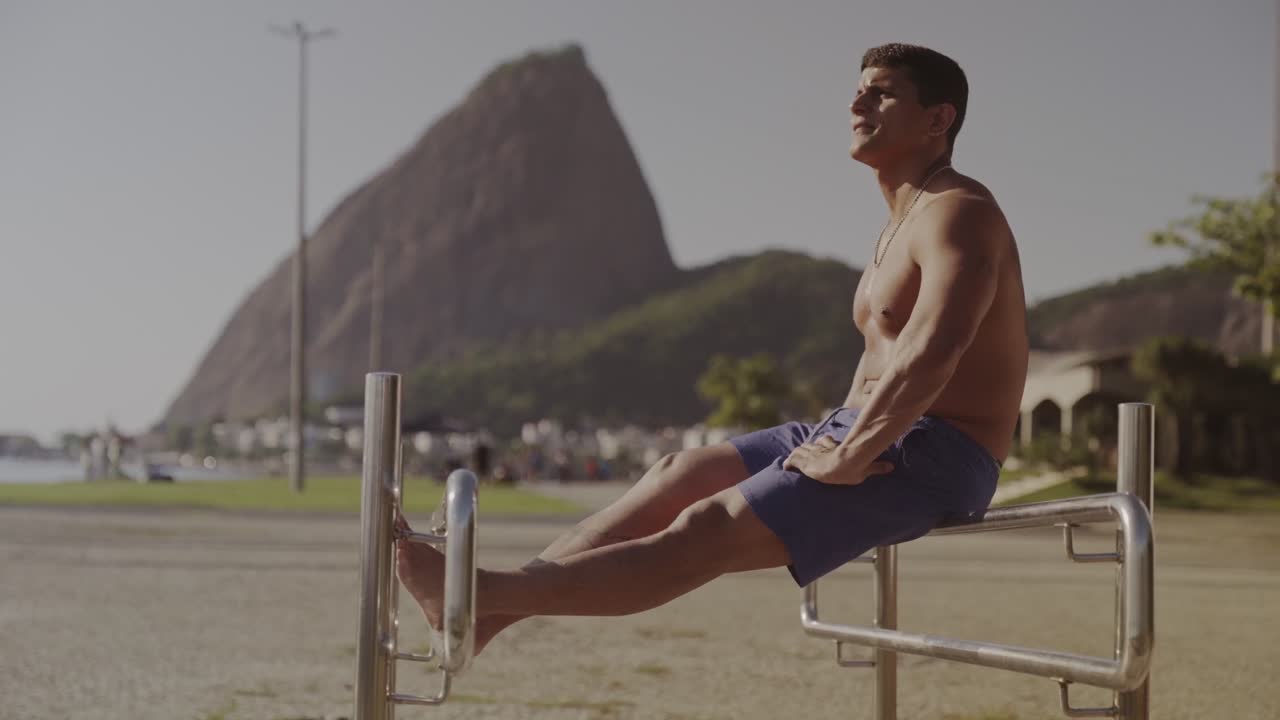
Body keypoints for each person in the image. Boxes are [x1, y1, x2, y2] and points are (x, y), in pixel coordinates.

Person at [397, 43, 1029, 657]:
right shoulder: (903, 218)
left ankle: (477, 594)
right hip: (856, 428)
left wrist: (849, 455)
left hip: (933, 451)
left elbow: (933, 348)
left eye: (883, 92)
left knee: (707, 530)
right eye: (858, 89)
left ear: (939, 119)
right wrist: (844, 440)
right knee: (679, 473)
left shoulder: (960, 211)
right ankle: (487, 620)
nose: (859, 100)